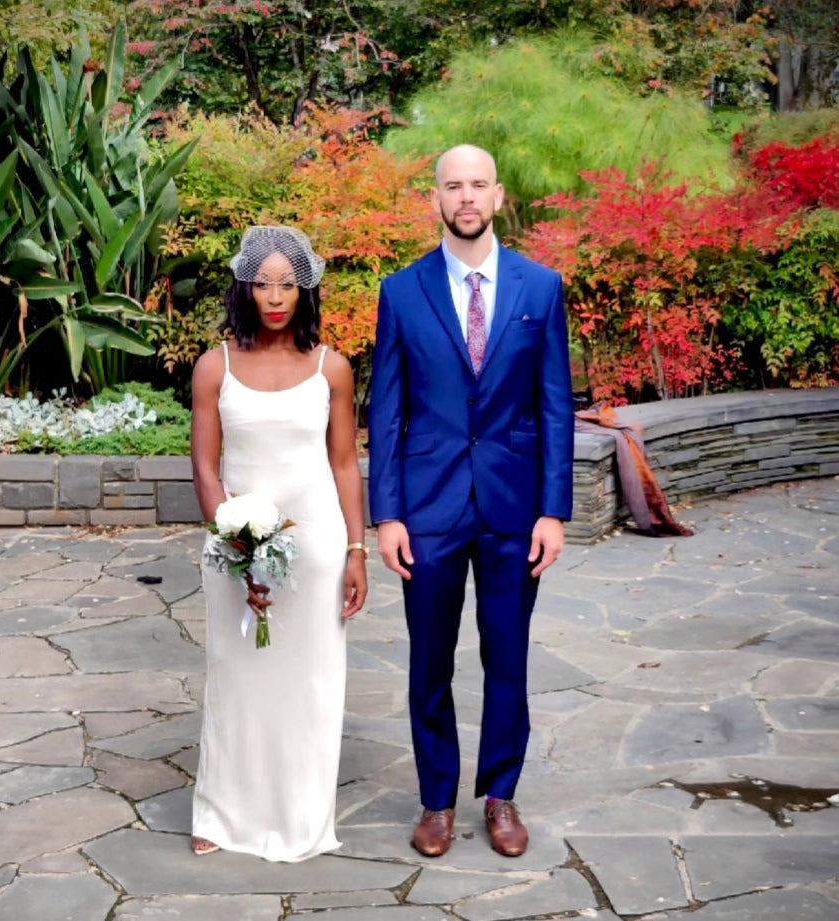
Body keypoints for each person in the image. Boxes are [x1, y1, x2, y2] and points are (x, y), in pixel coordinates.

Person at [368, 145, 574, 858]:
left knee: (506, 657)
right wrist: (386, 514)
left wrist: (553, 510)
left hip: (515, 511)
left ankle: (500, 795)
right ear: (435, 199)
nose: (465, 196)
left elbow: (554, 406)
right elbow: (386, 413)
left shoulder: (540, 289)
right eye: (452, 185)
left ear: (497, 195)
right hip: (427, 511)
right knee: (429, 661)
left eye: (476, 185)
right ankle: (435, 801)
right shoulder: (400, 293)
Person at [190, 225, 368, 862]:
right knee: (236, 677)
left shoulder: (332, 369)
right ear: (245, 287)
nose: (274, 296)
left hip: (316, 547)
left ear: (305, 290)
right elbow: (207, 469)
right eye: (262, 283)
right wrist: (234, 542)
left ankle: (300, 814)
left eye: (287, 284)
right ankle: (220, 810)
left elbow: (345, 465)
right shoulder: (216, 366)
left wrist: (356, 551)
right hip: (234, 543)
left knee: (309, 684)